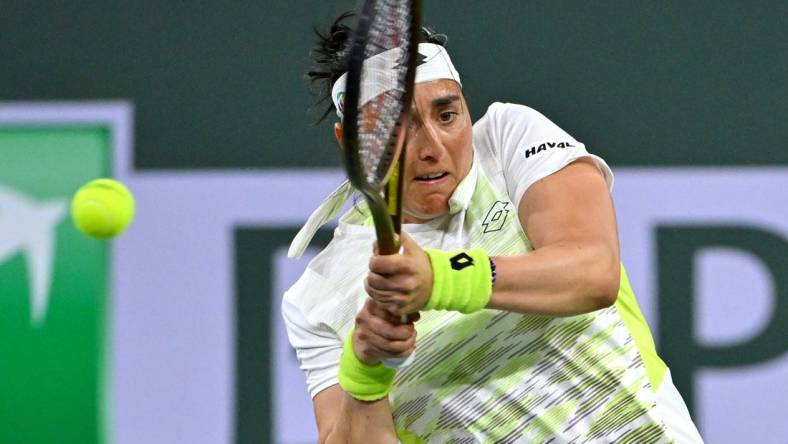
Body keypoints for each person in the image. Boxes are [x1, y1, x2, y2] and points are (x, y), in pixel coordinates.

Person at [284, 11, 704, 443]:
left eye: (446, 115)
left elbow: (593, 272)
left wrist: (440, 279)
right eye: (399, 127)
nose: (432, 147)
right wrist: (365, 370)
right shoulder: (316, 299)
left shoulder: (508, 141)